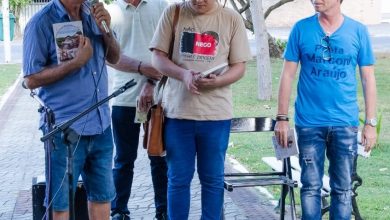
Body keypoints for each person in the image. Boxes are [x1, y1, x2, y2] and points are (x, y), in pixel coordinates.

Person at [274, 0, 377, 219]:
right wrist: (281, 118)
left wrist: (370, 122)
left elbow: (368, 78)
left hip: (345, 124)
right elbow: (287, 75)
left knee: (343, 189)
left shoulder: (358, 31)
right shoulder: (301, 29)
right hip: (309, 123)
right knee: (310, 187)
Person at [149, 0, 251, 219]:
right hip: (177, 114)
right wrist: (183, 74)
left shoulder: (231, 18)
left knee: (213, 180)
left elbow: (240, 66)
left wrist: (219, 81)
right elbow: (157, 57)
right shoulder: (173, 12)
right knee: (178, 180)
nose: (198, 1)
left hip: (216, 115)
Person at [22, 0, 120, 219]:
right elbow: (30, 79)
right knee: (60, 204)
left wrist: (107, 31)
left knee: (103, 197)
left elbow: (114, 57)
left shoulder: (93, 13)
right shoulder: (41, 22)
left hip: (101, 123)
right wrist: (75, 63)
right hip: (64, 130)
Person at [105, 0, 168, 219]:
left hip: (160, 99)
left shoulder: (162, 6)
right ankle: (119, 211)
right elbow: (110, 57)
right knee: (123, 160)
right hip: (124, 98)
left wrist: (151, 83)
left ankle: (163, 211)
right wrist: (142, 67)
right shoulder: (111, 12)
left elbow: (168, 50)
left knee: (159, 157)